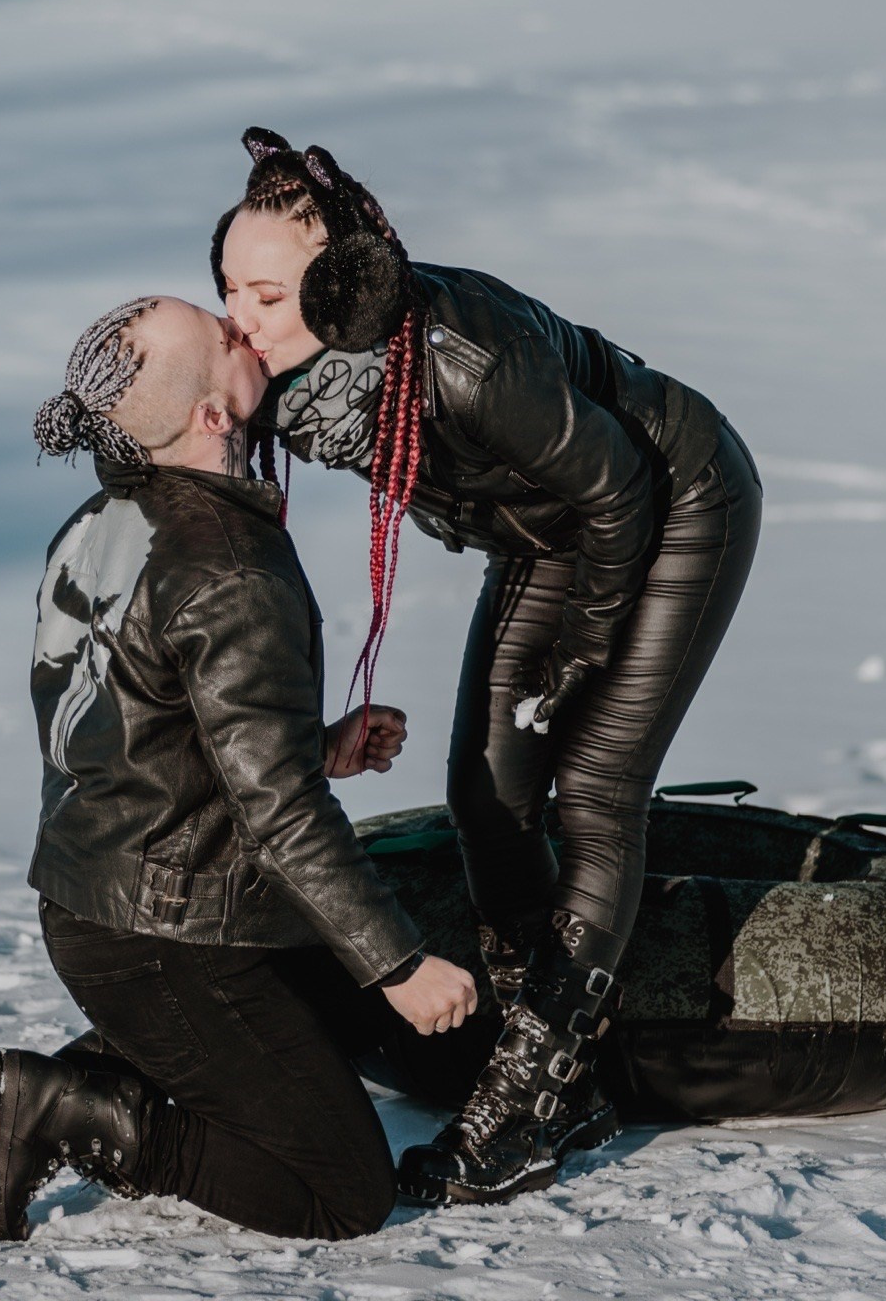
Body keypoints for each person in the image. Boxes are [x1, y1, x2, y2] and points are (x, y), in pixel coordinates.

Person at [212, 129, 763, 1205]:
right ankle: (547, 1056)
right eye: (230, 288)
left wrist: (585, 654)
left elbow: (617, 494)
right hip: (548, 534)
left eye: (267, 295)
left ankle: (526, 1098)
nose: (243, 319)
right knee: (483, 790)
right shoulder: (306, 374)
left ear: (345, 285)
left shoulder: (464, 362)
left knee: (593, 783)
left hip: (671, 496)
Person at [0, 295, 479, 1244]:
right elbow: (282, 817)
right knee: (345, 1194)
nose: (249, 331)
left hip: (101, 904)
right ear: (212, 414)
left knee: (328, 1035)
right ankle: (81, 1114)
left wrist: (315, 744)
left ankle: (110, 1065)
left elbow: (141, 727)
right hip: (167, 936)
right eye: (228, 338)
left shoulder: (100, 519)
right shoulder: (232, 567)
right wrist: (397, 963)